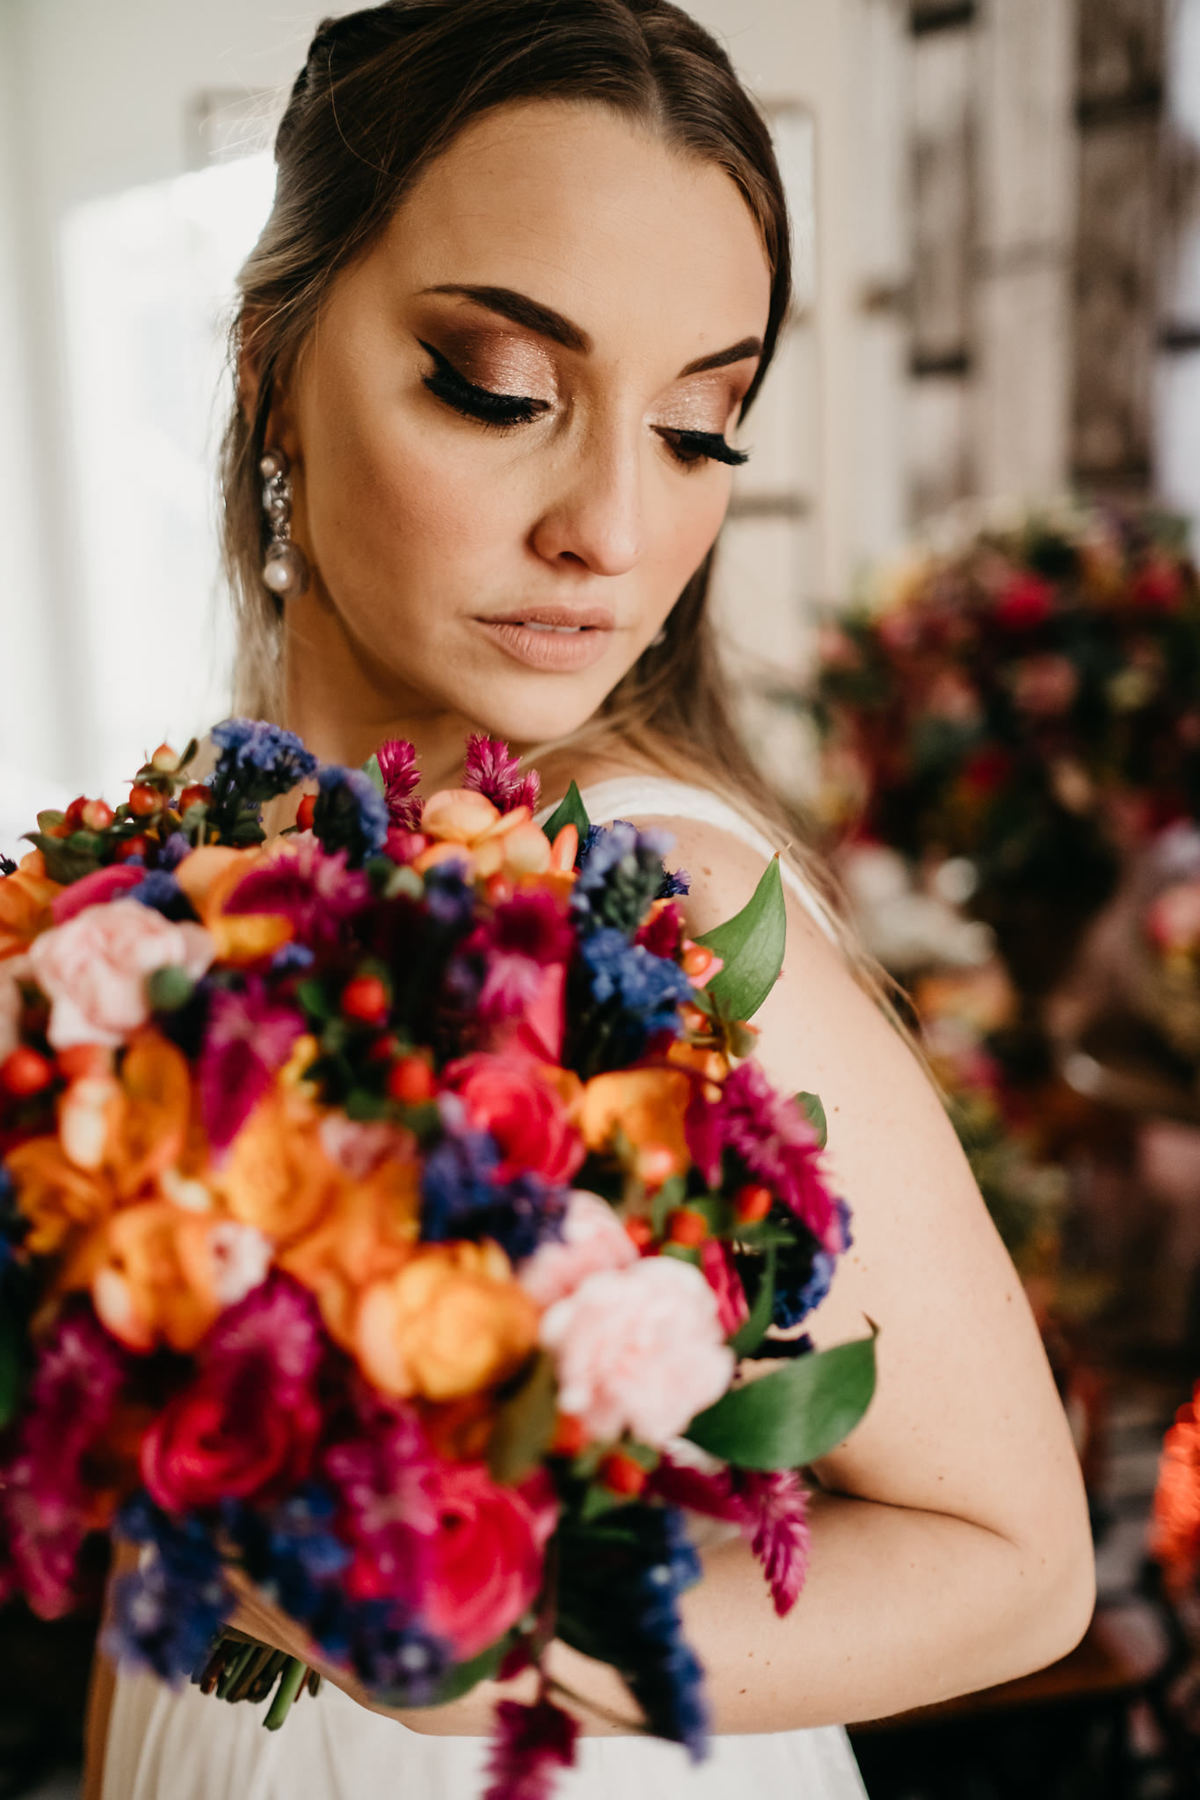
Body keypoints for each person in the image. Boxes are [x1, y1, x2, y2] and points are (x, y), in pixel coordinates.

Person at [88, 2, 1096, 1794]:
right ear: (272, 365)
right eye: (501, 390)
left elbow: (1021, 1572)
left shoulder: (665, 916)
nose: (613, 530)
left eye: (704, 426)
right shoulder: (175, 877)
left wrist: (479, 1658)